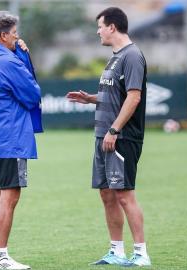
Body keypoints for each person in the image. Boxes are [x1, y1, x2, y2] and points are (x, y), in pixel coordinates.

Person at [66, 7, 151, 267]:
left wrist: (114, 130)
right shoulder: (115, 57)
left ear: (112, 27)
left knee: (125, 194)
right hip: (104, 136)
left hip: (121, 137)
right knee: (106, 193)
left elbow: (134, 97)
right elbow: (118, 94)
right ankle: (117, 251)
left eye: (100, 26)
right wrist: (91, 98)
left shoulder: (132, 55)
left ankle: (141, 254)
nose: (98, 31)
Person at [0, 10, 42, 270]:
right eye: (14, 33)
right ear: (3, 36)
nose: (18, 37)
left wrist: (16, 52)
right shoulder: (9, 62)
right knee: (9, 197)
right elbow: (32, 94)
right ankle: (2, 258)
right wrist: (23, 57)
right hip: (11, 137)